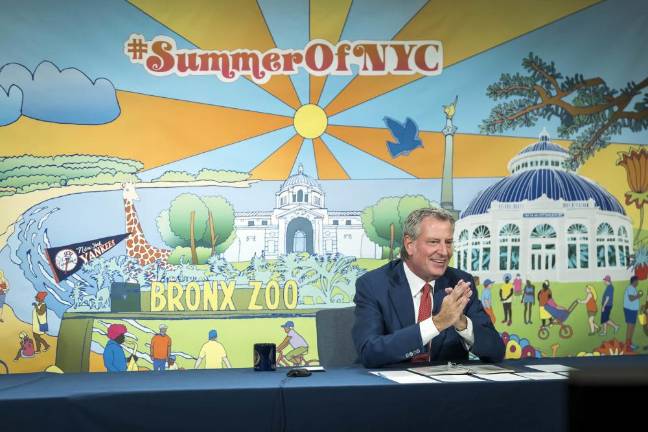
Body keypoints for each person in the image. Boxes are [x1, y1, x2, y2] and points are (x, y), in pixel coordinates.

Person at [352, 208, 505, 368]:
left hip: (445, 390)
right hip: (390, 387)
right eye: (433, 242)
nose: (444, 252)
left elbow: (496, 351)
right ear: (410, 245)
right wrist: (437, 323)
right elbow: (370, 352)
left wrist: (462, 323)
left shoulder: (459, 283)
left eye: (448, 242)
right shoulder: (374, 285)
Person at [623, 276, 643, 351]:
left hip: (633, 310)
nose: (638, 282)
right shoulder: (630, 288)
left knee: (632, 327)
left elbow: (633, 298)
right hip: (630, 310)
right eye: (637, 281)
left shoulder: (633, 289)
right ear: (634, 281)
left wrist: (637, 296)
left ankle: (629, 343)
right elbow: (631, 299)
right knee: (630, 326)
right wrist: (639, 296)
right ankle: (627, 345)